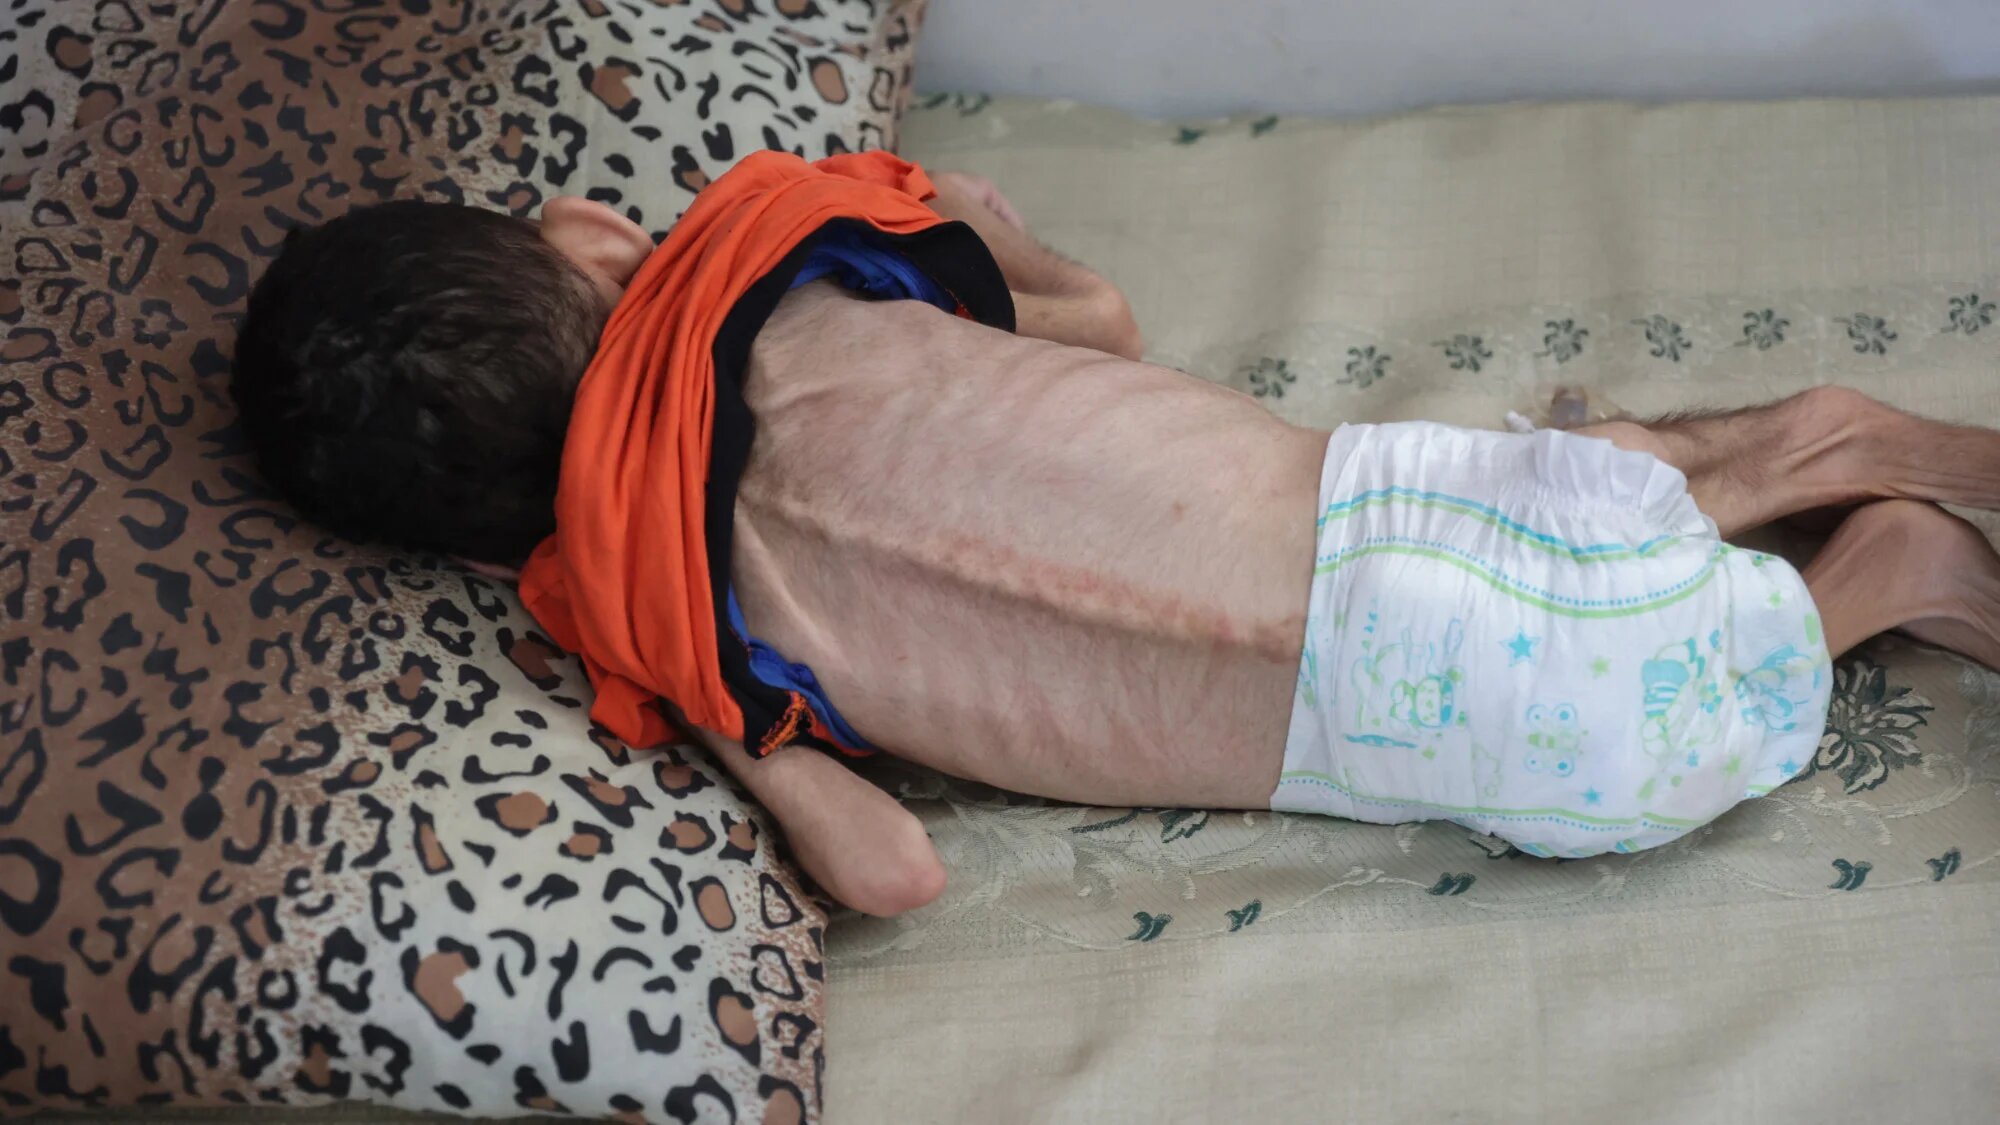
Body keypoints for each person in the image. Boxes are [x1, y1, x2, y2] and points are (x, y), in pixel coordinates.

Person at [233, 153, 2000, 917]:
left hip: (1491, 727)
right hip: (1421, 506)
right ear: (597, 245)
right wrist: (999, 236)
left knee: (1639, 726)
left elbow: (890, 876)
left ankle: (1878, 571)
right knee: (1595, 473)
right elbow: (1113, 329)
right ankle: (1803, 460)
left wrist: (677, 676)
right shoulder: (798, 280)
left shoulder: (685, 638)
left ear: (482, 557)